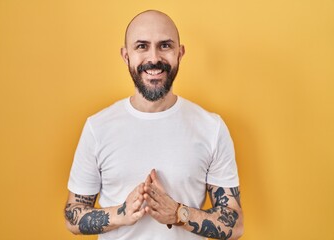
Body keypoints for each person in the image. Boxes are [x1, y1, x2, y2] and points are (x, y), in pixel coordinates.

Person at [64, 9, 244, 240]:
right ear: (126, 55)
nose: (154, 58)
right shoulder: (97, 128)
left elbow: (235, 224)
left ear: (180, 53)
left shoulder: (212, 127)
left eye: (165, 45)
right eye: (141, 46)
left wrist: (179, 213)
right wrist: (121, 214)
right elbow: (73, 216)